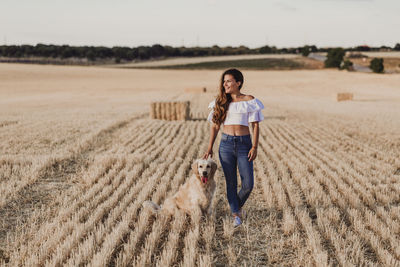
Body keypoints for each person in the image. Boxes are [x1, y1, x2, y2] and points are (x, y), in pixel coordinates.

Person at [202, 68, 264, 227]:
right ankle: (236, 214)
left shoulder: (249, 100)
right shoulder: (221, 102)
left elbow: (255, 126)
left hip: (245, 144)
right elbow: (215, 126)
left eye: (228, 81)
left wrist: (255, 146)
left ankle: (236, 206)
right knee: (230, 182)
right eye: (224, 81)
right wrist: (209, 147)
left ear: (238, 82)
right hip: (226, 145)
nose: (225, 84)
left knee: (248, 184)